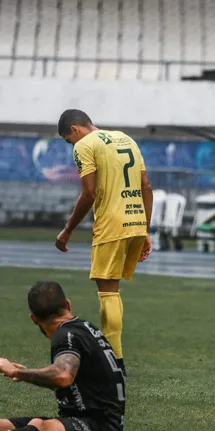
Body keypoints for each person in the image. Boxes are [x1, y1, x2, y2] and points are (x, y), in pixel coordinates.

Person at [55, 109, 153, 372]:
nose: (71, 145)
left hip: (111, 224)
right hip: (135, 222)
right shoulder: (125, 138)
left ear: (75, 129)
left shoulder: (84, 145)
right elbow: (146, 186)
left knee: (107, 291)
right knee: (114, 290)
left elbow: (88, 194)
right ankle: (114, 356)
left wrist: (67, 230)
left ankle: (114, 362)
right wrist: (145, 229)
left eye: (68, 140)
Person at [0, 281, 126, 431]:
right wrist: (26, 374)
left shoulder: (66, 335)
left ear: (34, 319)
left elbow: (62, 376)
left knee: (42, 426)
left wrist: (16, 372)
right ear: (68, 305)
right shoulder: (83, 328)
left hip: (98, 425)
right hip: (85, 420)